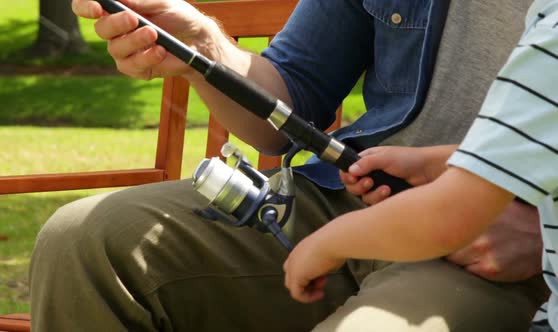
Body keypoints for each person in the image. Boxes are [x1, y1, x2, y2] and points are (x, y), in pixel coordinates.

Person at [29, 0, 546, 330]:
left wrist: (544, 230)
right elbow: (288, 104)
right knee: (84, 239)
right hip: (345, 201)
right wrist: (201, 47)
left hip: (492, 245)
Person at [283, 1, 558, 331]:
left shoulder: (550, 40)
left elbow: (449, 217)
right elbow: (531, 145)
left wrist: (327, 244)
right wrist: (443, 162)